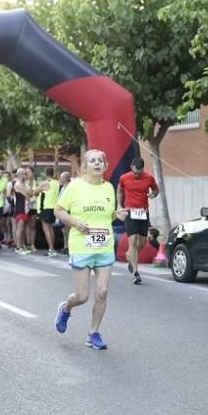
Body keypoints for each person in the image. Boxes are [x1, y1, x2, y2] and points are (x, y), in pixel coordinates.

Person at [53, 149, 129, 350]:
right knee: (82, 296)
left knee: (102, 292)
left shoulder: (108, 188)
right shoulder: (75, 186)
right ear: (85, 166)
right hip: (81, 245)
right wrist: (75, 222)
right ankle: (66, 308)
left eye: (100, 161)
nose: (97, 163)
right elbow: (58, 210)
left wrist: (116, 215)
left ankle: (93, 333)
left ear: (105, 166)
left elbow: (107, 216)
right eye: (92, 161)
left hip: (104, 245)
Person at [117, 157, 159, 286]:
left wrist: (153, 194)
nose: (137, 175)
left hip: (143, 212)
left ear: (143, 169)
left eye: (139, 173)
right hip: (130, 212)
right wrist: (119, 205)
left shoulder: (149, 178)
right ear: (131, 167)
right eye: (135, 172)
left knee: (142, 242)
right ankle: (136, 273)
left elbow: (156, 190)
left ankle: (131, 258)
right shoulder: (124, 177)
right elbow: (119, 189)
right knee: (133, 241)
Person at [37, 168, 62, 257]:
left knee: (46, 229)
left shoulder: (45, 183)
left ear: (45, 173)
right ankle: (52, 249)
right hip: (54, 208)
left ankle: (51, 249)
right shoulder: (57, 183)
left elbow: (34, 192)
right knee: (51, 229)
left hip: (46, 208)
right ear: (53, 173)